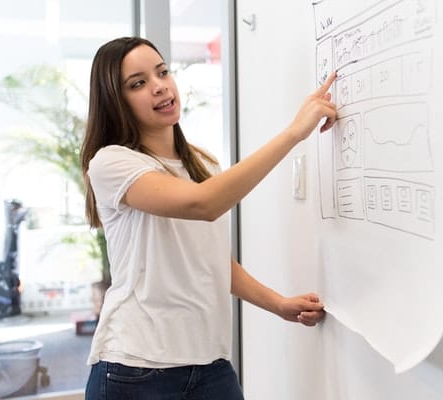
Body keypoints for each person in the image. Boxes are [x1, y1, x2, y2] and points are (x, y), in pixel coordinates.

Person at [80, 36, 337, 400]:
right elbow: (204, 204)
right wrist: (295, 133)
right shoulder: (112, 163)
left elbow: (211, 262)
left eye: (162, 72)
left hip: (210, 364)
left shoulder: (202, 165)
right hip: (136, 368)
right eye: (138, 84)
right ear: (116, 101)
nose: (159, 87)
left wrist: (278, 304)